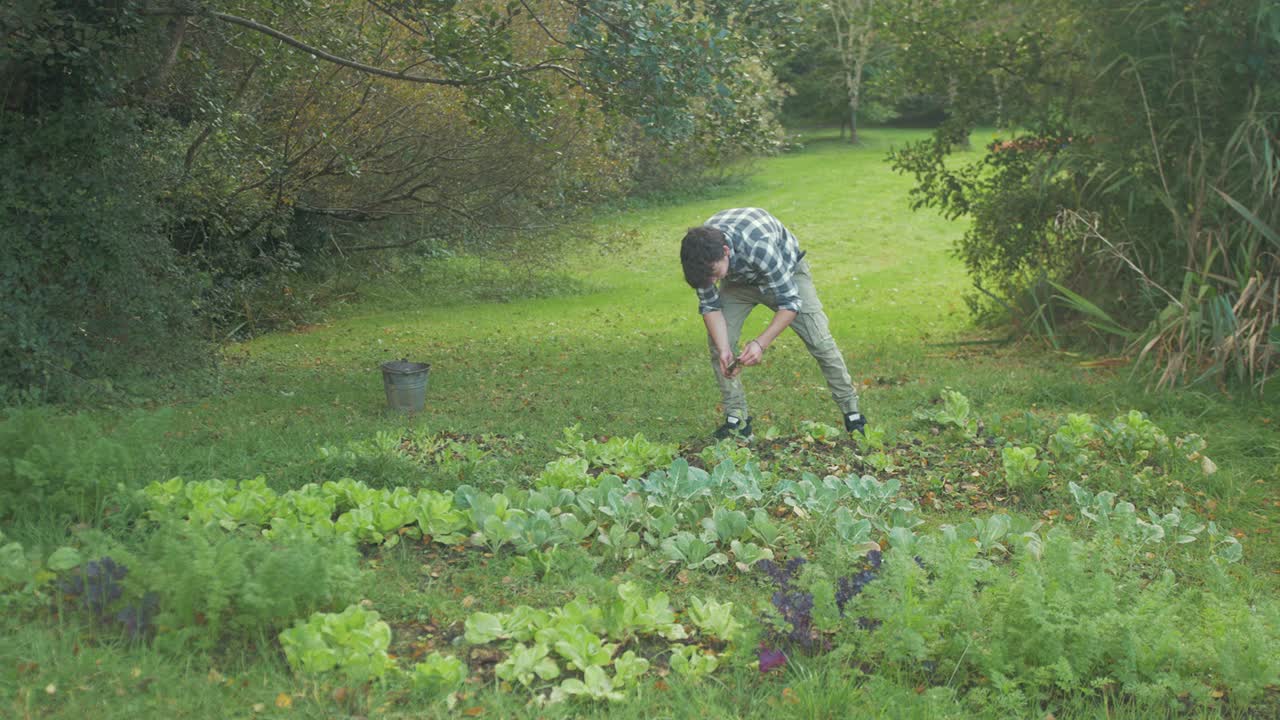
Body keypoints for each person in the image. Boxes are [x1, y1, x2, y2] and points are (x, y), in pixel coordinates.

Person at [680, 207, 865, 440]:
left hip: (786, 274)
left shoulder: (759, 246)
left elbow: (790, 303)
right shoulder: (701, 260)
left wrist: (760, 344)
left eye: (715, 275)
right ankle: (737, 421)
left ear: (726, 251)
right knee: (719, 346)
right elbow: (710, 306)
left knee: (820, 341)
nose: (712, 282)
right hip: (738, 283)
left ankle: (853, 414)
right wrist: (725, 348)